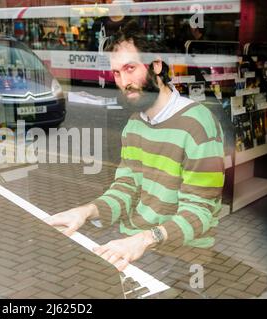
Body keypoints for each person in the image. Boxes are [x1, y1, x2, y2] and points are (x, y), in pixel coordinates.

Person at [46, 20, 225, 271]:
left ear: (157, 65)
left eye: (130, 68)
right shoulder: (134, 124)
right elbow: (126, 188)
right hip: (136, 247)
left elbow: (201, 213)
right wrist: (87, 211)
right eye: (117, 73)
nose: (123, 81)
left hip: (182, 257)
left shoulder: (198, 125)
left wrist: (145, 239)